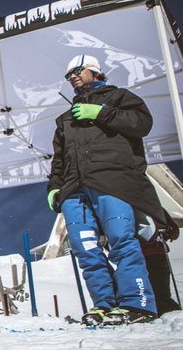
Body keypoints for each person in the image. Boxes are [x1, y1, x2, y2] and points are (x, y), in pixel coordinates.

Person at [47, 53, 165, 326]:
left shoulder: (120, 98)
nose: (72, 77)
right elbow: (59, 159)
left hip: (113, 181)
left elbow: (142, 125)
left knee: (121, 241)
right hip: (75, 190)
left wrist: (102, 113)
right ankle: (104, 305)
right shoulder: (66, 118)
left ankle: (138, 303)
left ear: (95, 71)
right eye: (68, 75)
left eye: (77, 70)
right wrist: (55, 188)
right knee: (85, 249)